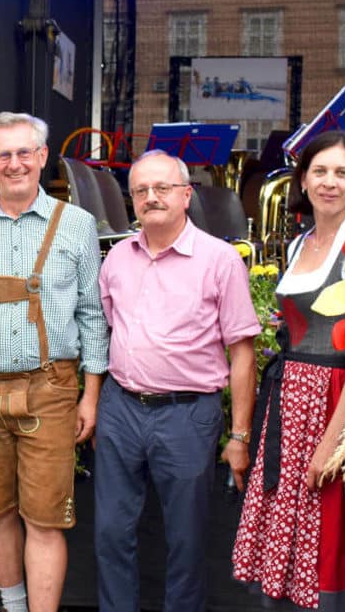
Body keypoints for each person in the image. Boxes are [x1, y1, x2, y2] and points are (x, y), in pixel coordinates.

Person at [0, 112, 107, 612]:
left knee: (44, 519)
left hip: (51, 389)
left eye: (24, 153)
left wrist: (91, 395)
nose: (14, 164)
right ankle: (12, 606)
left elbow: (92, 315)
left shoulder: (77, 225)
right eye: (3, 155)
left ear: (42, 158)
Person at [95, 149, 259, 612]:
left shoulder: (220, 260)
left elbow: (242, 352)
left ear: (186, 195)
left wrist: (239, 435)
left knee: (186, 541)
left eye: (162, 188)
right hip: (121, 407)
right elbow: (106, 332)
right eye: (141, 190)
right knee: (110, 532)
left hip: (188, 414)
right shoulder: (116, 259)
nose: (151, 197)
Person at [232, 131, 345, 609]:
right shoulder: (301, 242)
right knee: (291, 524)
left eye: (342, 173)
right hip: (290, 399)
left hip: (335, 398)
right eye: (319, 171)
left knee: (330, 528)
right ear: (303, 178)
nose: (329, 182)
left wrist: (334, 438)